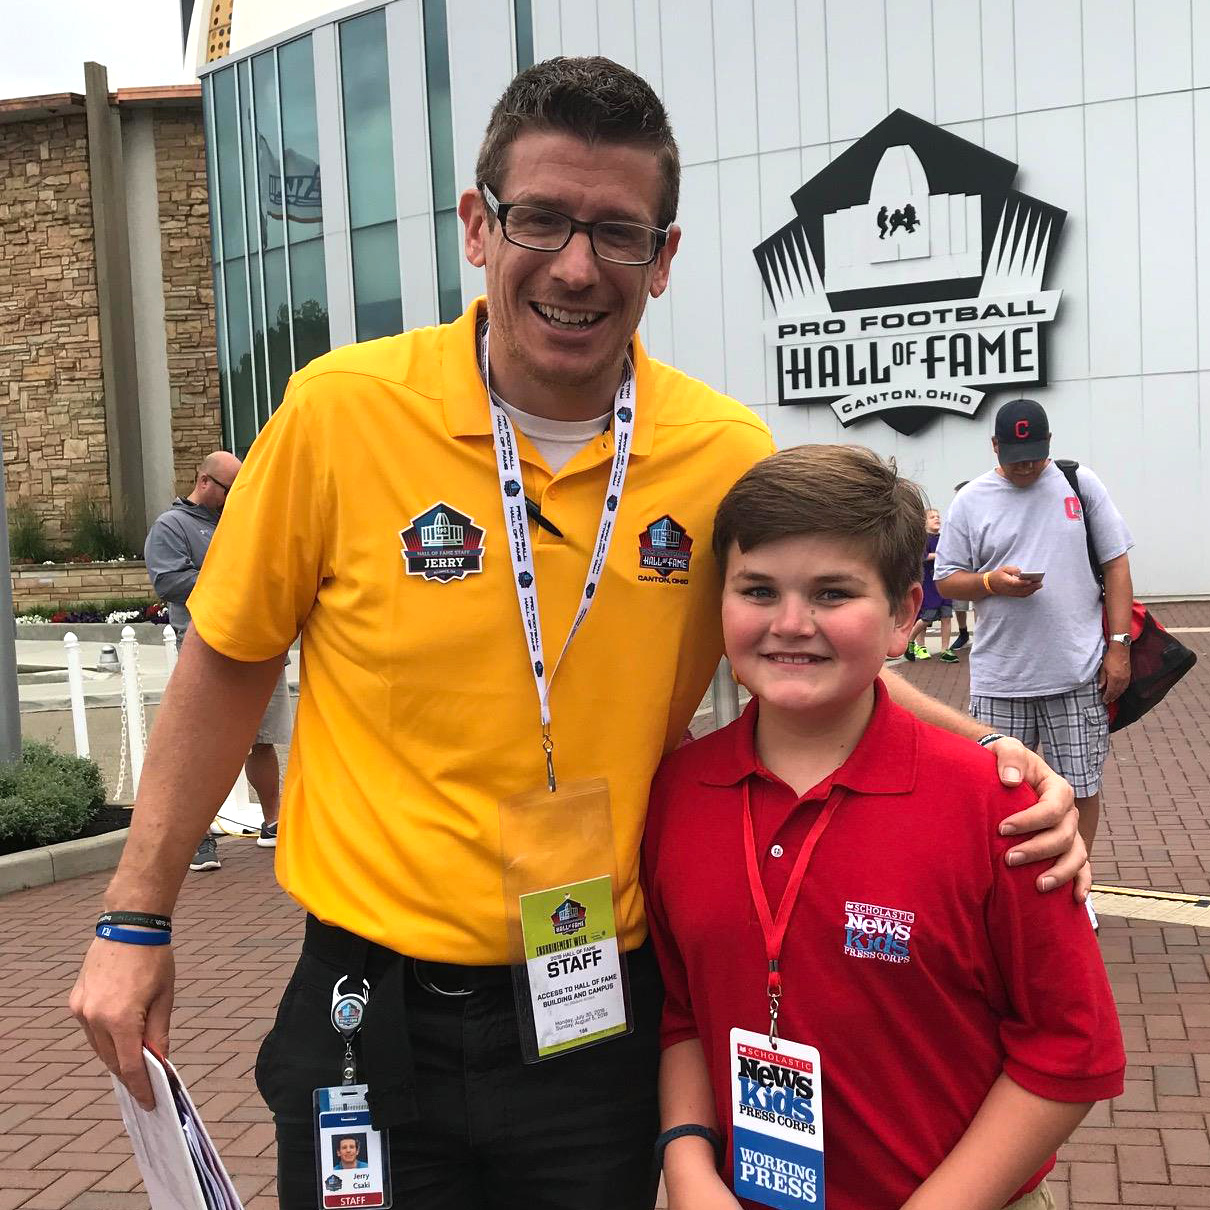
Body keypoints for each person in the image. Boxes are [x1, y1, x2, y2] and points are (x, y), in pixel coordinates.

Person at [73, 58, 1086, 1210]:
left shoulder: (718, 453)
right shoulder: (340, 412)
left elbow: (810, 645)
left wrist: (997, 762)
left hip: (595, 1006)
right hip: (369, 1004)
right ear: (476, 226)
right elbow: (230, 656)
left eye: (617, 233)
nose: (573, 266)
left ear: (662, 256)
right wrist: (134, 912)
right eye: (540, 219)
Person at [644, 445, 1125, 1210]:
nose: (791, 624)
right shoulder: (677, 795)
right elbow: (684, 1013)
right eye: (758, 590)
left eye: (833, 593)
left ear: (905, 616)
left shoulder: (997, 808)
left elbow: (1069, 1050)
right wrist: (690, 1169)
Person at [934, 399, 1135, 861]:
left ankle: (1075, 893)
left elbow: (1116, 563)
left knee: (1080, 786)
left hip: (1076, 672)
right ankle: (1016, 895)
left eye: (1035, 454)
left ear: (1049, 443)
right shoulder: (971, 499)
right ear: (994, 446)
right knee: (1001, 793)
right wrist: (990, 582)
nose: (1026, 466)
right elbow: (946, 578)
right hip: (1001, 679)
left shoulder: (1078, 483)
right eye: (1014, 456)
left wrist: (1119, 647)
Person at [143, 451, 293, 863]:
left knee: (262, 742)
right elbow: (171, 582)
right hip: (208, 652)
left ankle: (273, 822)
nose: (235, 498)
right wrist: (234, 581)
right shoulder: (171, 526)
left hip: (261, 647)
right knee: (203, 747)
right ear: (205, 482)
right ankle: (198, 836)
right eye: (230, 489)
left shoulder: (241, 523)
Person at [903, 508, 958, 664]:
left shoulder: (944, 539)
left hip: (944, 582)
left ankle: (945, 649)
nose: (937, 519)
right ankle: (910, 640)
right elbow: (921, 557)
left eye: (938, 516)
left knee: (946, 616)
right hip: (929, 584)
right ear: (925, 522)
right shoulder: (922, 540)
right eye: (932, 517)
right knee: (927, 617)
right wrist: (939, 555)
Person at [948, 480, 973, 650]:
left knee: (982, 599)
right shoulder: (954, 517)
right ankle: (963, 633)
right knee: (960, 603)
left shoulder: (983, 511)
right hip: (961, 565)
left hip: (981, 565)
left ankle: (980, 635)